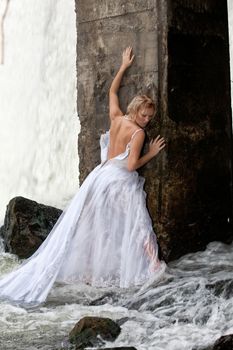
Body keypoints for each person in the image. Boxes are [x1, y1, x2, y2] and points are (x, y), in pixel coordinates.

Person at [0, 47, 166, 306]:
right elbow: (132, 165)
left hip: (99, 177)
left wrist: (123, 66)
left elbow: (112, 92)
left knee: (95, 225)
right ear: (136, 110)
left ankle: (90, 273)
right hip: (119, 181)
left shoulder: (117, 118)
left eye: (149, 117)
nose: (146, 120)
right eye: (144, 115)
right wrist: (152, 153)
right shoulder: (138, 133)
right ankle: (154, 267)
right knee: (137, 221)